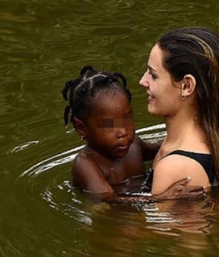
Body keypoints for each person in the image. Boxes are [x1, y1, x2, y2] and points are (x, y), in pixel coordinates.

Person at [62, 65, 203, 202]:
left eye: (127, 120)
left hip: (143, 204)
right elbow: (108, 198)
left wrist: (193, 137)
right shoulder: (86, 164)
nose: (123, 132)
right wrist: (163, 197)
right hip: (116, 218)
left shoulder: (134, 144)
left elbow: (163, 148)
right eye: (110, 125)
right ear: (81, 128)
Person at [139, 27, 219, 194]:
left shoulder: (175, 167)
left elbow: (154, 221)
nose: (143, 81)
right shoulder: (216, 141)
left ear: (186, 86)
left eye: (153, 75)